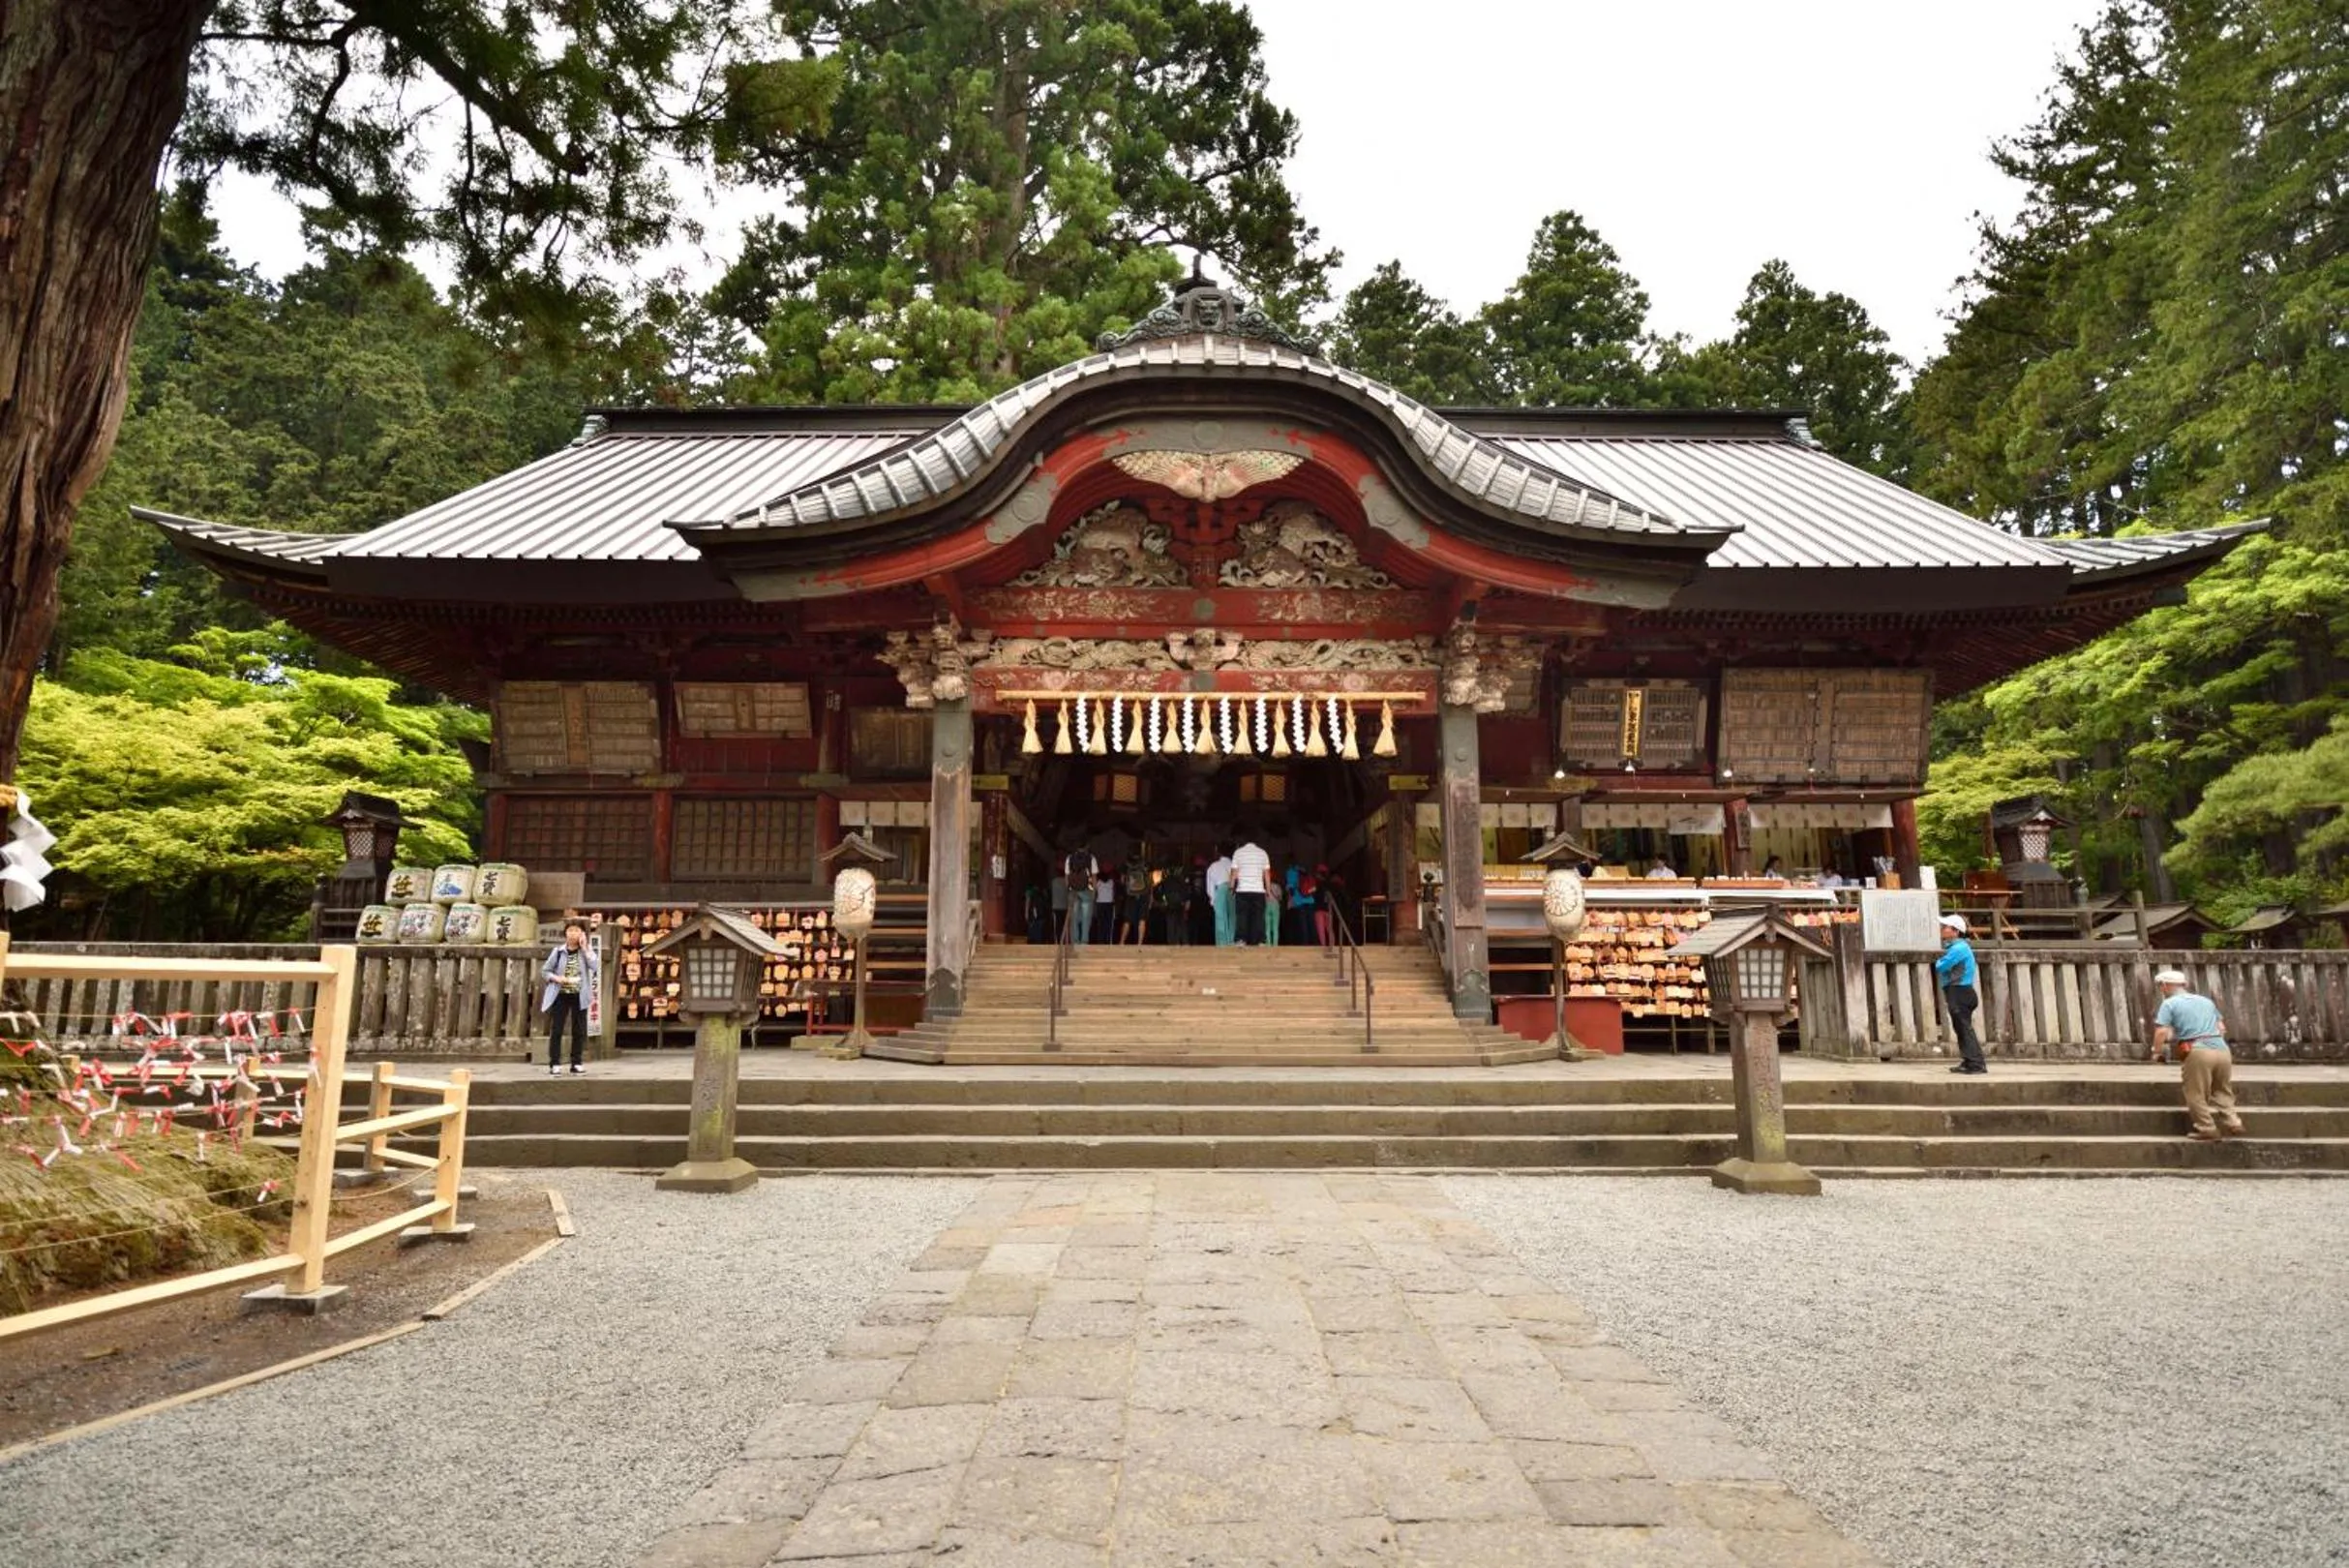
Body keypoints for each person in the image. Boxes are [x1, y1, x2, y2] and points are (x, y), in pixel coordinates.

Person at [2153, 969, 2244, 1140]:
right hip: (2222, 1049)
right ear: (2184, 985)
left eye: (2160, 986)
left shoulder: (2169, 1004)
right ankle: (2233, 1122)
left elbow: (2161, 1032)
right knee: (2222, 1088)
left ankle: (2207, 1128)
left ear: (2165, 986)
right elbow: (2222, 1028)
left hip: (2198, 1049)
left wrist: (2156, 1052)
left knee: (2195, 1092)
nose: (2161, 990)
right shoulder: (2206, 1001)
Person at [539, 920, 599, 1075]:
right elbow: (545, 971)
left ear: (582, 933)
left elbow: (595, 966)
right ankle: (554, 1063)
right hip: (561, 994)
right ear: (565, 933)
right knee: (557, 1029)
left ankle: (577, 1062)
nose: (573, 934)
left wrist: (585, 947)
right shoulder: (558, 951)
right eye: (570, 930)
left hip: (580, 995)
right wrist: (557, 978)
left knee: (579, 1030)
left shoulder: (586, 951)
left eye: (577, 930)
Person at [1934, 914, 1987, 1073]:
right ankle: (1969, 1061)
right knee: (1962, 1029)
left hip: (1960, 992)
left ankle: (1976, 1063)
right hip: (1959, 992)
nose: (1942, 930)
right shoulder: (1957, 947)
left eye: (1946, 927)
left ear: (1956, 931)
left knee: (1964, 1029)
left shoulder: (1959, 948)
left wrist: (1940, 962)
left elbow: (1940, 966)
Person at [1230, 836, 1272, 945]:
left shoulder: (1238, 853)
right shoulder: (1263, 853)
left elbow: (1234, 873)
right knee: (1258, 916)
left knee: (1242, 916)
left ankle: (1241, 940)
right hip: (1258, 890)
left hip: (1242, 890)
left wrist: (1231, 887)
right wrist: (1268, 890)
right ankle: (1260, 940)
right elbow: (1266, 874)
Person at [1063, 845, 1097, 946]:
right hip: (1087, 891)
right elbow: (1094, 877)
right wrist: (1094, 892)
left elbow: (1066, 877)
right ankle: (1084, 942)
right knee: (1086, 918)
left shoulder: (1069, 858)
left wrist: (1068, 890)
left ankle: (1075, 942)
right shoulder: (1091, 858)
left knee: (1074, 918)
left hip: (1073, 891)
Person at [1206, 844, 1235, 946]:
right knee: (1232, 917)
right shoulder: (1234, 865)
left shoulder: (1213, 866)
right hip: (1232, 890)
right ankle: (1232, 941)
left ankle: (1222, 944)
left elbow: (1210, 886)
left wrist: (1213, 900)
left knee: (1220, 918)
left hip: (1220, 890)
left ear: (1218, 852)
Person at [1118, 859, 1151, 945]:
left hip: (1130, 895)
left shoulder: (1126, 865)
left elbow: (1122, 881)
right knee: (1142, 920)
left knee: (1127, 921)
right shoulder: (1145, 864)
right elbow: (1149, 881)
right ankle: (1139, 944)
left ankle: (1121, 943)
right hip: (1143, 895)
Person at [1312, 863, 1336, 946]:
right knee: (1330, 929)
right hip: (1328, 909)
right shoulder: (1330, 884)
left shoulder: (1315, 884)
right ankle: (1332, 946)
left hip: (1318, 909)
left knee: (1321, 930)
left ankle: (1323, 948)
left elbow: (1310, 892)